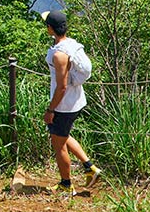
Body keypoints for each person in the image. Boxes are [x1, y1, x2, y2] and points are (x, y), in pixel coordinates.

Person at [42, 10, 102, 194]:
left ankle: (66, 185)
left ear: (50, 28)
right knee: (63, 134)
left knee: (58, 143)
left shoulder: (60, 54)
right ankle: (90, 167)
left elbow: (61, 87)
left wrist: (51, 110)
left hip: (64, 105)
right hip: (76, 101)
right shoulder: (72, 44)